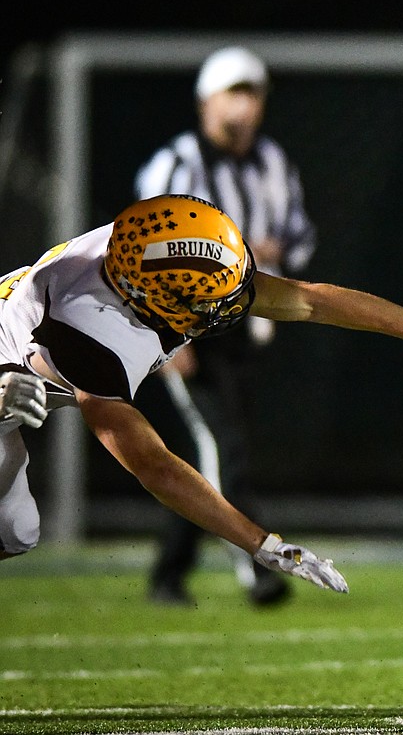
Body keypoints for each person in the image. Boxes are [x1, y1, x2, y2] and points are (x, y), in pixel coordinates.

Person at [0, 195, 403, 594]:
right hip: (12, 373)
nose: (230, 309)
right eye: (211, 302)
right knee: (15, 521)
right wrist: (259, 543)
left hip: (25, 364)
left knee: (16, 531)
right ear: (149, 298)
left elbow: (306, 302)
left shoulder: (149, 256)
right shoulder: (89, 337)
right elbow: (153, 465)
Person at [134, 46, 320, 606]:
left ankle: (169, 572)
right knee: (225, 450)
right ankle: (258, 570)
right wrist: (161, 335)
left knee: (208, 458)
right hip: (185, 329)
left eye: (252, 93)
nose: (243, 105)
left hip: (243, 329)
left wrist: (275, 252)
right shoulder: (176, 164)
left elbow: (300, 235)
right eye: (231, 92)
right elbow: (135, 252)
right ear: (204, 102)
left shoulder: (272, 163)